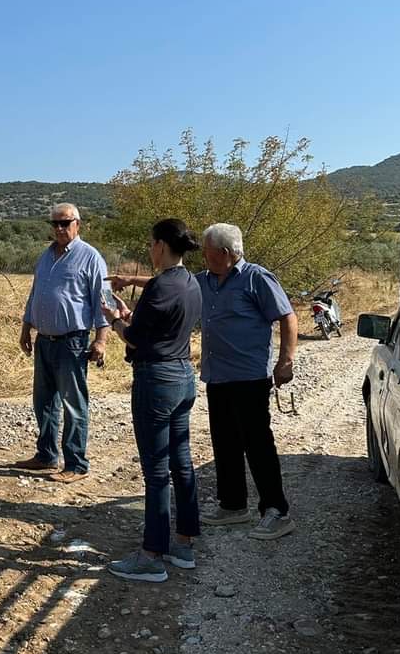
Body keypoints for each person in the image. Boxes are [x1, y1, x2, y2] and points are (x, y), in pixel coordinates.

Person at [109, 222, 298, 540]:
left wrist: (286, 360)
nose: (203, 257)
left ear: (225, 253)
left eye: (208, 253)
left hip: (249, 377)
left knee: (257, 445)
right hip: (217, 375)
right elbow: (168, 284)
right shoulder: (206, 280)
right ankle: (233, 505)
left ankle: (276, 511)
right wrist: (130, 280)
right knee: (225, 442)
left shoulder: (257, 278)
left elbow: (287, 316)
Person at [100, 219, 203, 583]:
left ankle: (151, 556)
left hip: (156, 380)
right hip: (183, 376)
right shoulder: (191, 281)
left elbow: (135, 339)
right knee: (182, 463)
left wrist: (115, 320)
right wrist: (130, 316)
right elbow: (157, 327)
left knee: (156, 471)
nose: (148, 250)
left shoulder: (160, 285)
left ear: (160, 245)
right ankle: (184, 544)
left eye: (150, 244)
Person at [14, 202, 110, 482]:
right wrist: (26, 328)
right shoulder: (46, 256)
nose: (59, 228)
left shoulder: (90, 257)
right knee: (43, 402)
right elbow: (35, 294)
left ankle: (76, 464)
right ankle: (46, 455)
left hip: (73, 342)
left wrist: (101, 340)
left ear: (77, 224)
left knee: (73, 405)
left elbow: (103, 301)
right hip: (44, 340)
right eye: (54, 223)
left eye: (64, 223)